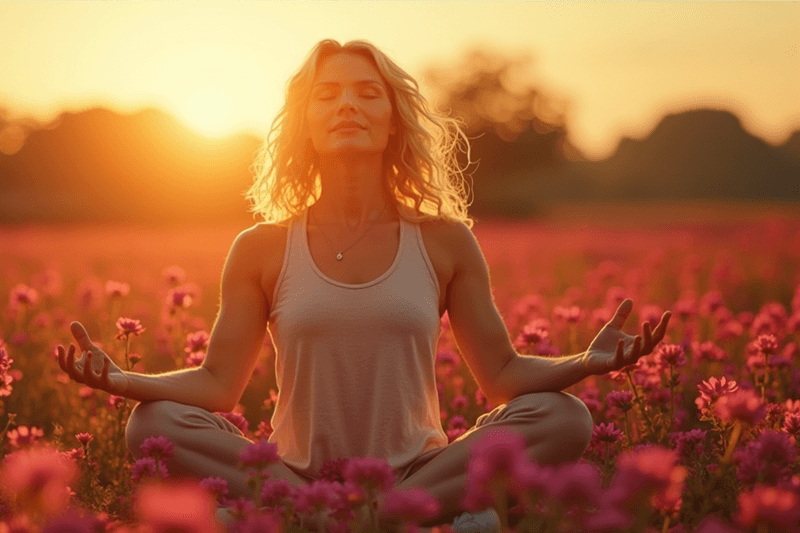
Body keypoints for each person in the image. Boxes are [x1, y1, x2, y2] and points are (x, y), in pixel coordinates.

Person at [56, 39, 672, 531]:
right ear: (306, 123)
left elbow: (503, 376)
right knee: (150, 425)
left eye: (366, 93)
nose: (346, 105)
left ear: (393, 118)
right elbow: (218, 385)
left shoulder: (444, 240)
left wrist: (584, 363)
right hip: (293, 469)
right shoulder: (262, 247)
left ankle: (337, 518)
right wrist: (123, 381)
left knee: (564, 417)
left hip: (419, 468)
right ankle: (392, 517)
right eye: (327, 95)